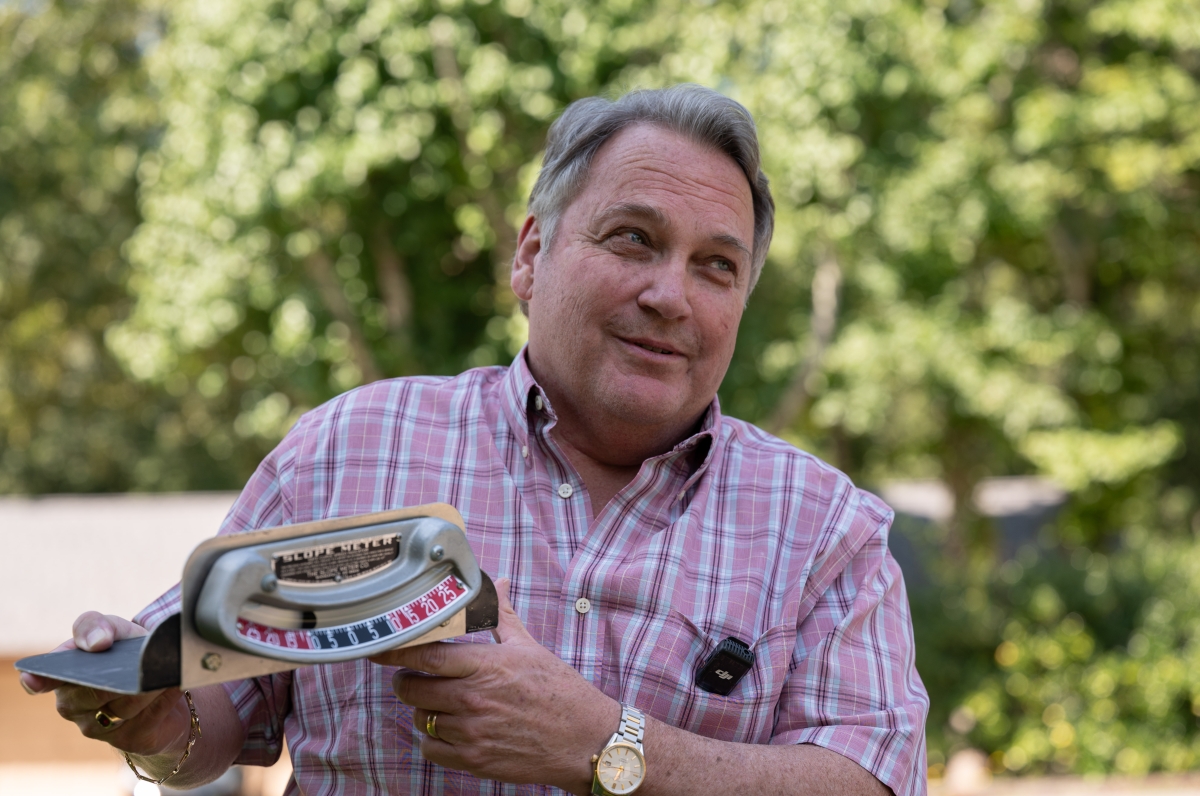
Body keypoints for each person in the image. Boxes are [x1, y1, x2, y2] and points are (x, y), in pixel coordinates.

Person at [22, 84, 929, 796]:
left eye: (715, 267)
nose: (671, 294)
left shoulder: (825, 531)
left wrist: (604, 746)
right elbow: (220, 711)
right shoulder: (350, 449)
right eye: (632, 240)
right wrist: (147, 718)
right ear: (532, 254)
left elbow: (873, 779)